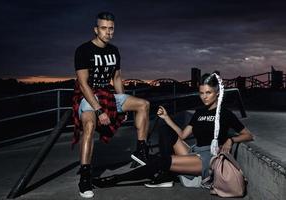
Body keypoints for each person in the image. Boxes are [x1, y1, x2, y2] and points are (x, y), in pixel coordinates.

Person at [92, 73, 254, 189]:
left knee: (162, 161)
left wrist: (230, 140)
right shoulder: (199, 112)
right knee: (165, 130)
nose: (204, 97)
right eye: (201, 93)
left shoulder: (224, 113)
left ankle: (115, 180)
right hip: (194, 152)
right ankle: (165, 175)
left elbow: (248, 134)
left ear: (217, 93)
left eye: (208, 93)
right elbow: (183, 135)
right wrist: (167, 117)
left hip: (208, 158)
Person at [73, 11, 150, 198]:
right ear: (96, 29)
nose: (108, 32)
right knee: (89, 125)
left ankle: (140, 151)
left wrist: (121, 105)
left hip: (108, 94)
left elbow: (116, 77)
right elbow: (83, 84)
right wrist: (100, 111)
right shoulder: (83, 50)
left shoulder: (114, 50)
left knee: (144, 104)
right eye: (104, 28)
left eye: (111, 29)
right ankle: (85, 177)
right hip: (89, 95)